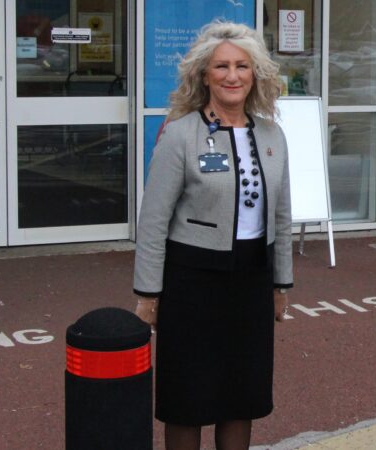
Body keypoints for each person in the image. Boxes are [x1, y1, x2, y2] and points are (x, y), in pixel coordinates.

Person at [132, 21, 293, 450]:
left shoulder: (272, 135)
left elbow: (280, 216)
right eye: (221, 66)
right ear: (204, 75)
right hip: (192, 281)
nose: (232, 75)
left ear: (255, 73)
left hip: (252, 281)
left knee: (241, 395)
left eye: (242, 66)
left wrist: (281, 284)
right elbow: (153, 221)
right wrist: (148, 295)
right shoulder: (180, 134)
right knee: (188, 396)